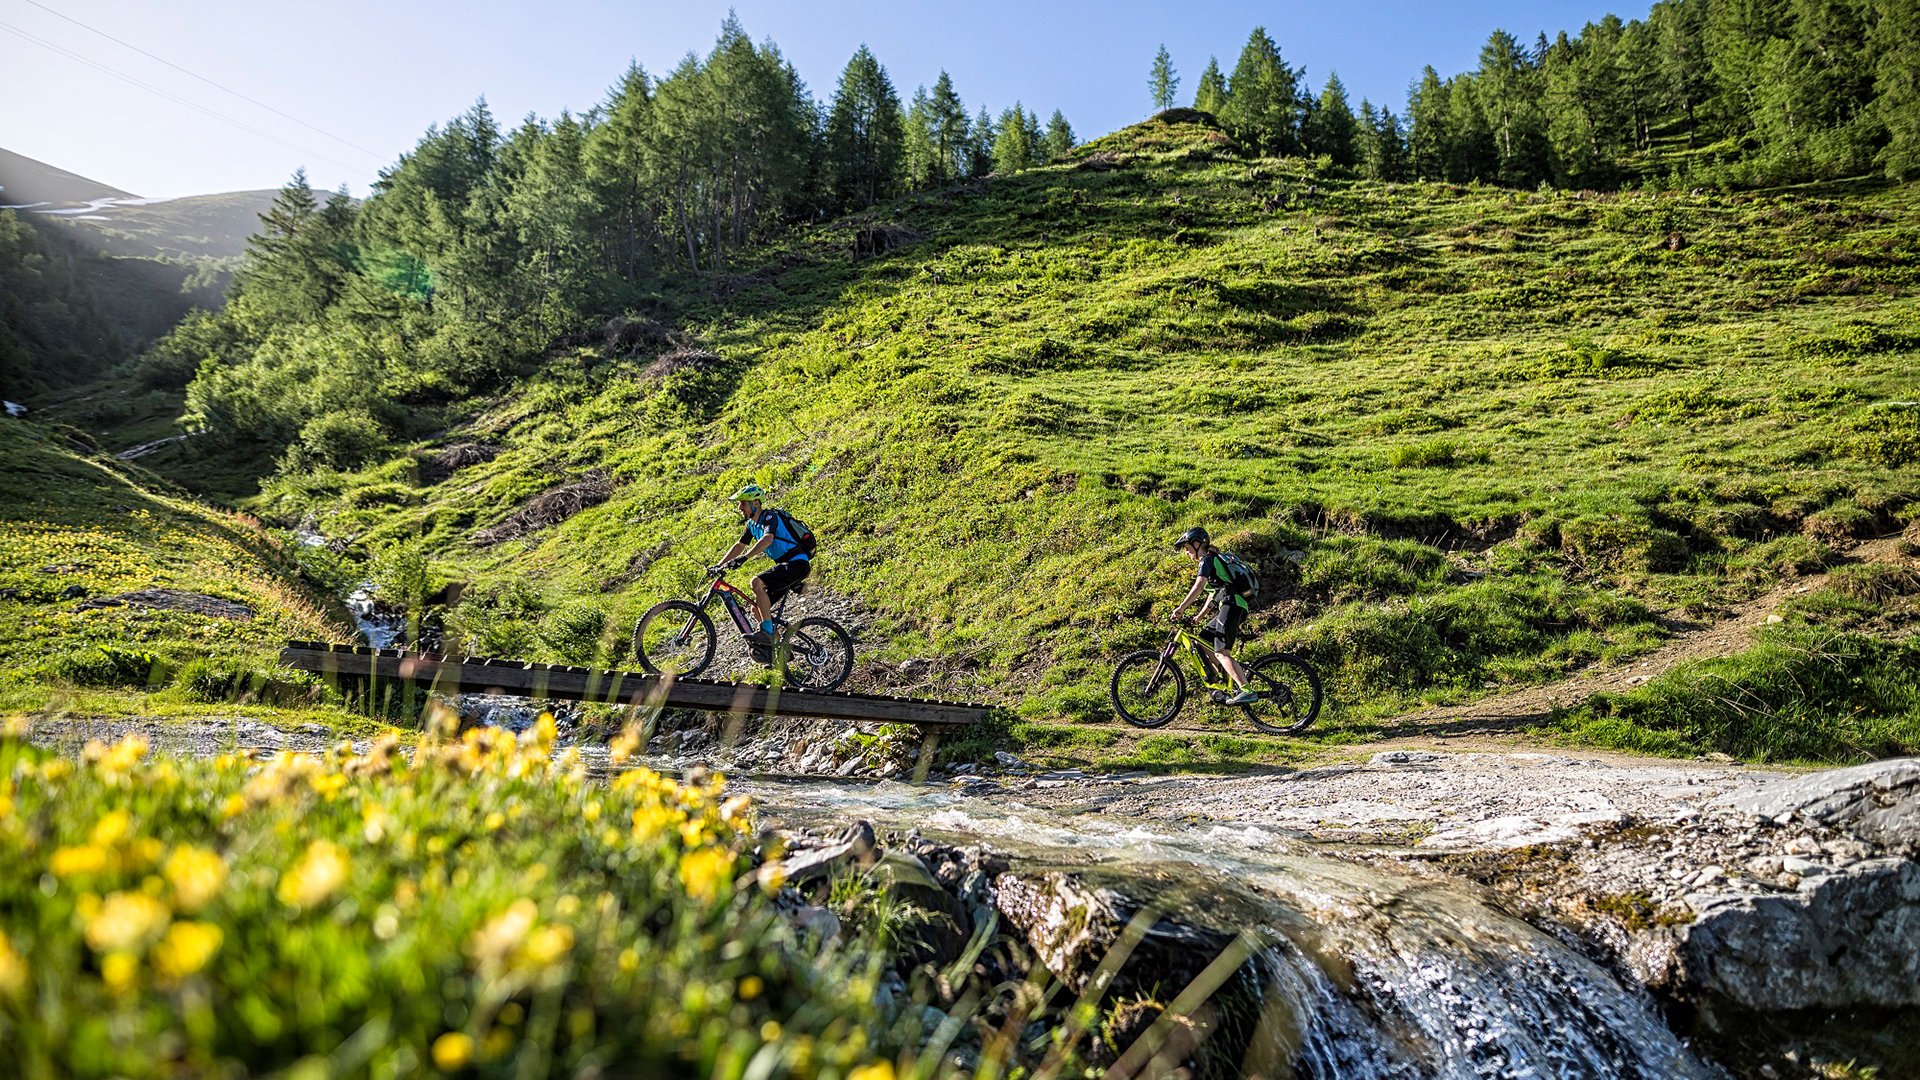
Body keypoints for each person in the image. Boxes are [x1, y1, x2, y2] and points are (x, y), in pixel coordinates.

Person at [708, 484, 812, 644]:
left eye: (743, 503)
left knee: (756, 583)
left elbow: (767, 538)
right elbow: (739, 545)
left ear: (755, 503)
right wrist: (719, 565)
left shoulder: (769, 517)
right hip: (787, 566)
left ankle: (767, 632)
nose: (739, 507)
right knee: (757, 609)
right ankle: (778, 651)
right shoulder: (752, 525)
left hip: (796, 564)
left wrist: (745, 558)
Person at [1168, 526, 1257, 705]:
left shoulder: (1206, 559)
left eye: (1187, 549)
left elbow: (1199, 587)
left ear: (1196, 544)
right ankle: (1222, 682)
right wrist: (1199, 617)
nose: (1186, 553)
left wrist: (1181, 608)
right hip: (1232, 604)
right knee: (1202, 640)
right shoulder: (1213, 562)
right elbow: (1212, 594)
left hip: (1232, 605)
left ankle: (1246, 690)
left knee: (1222, 652)